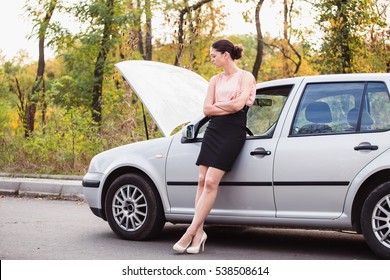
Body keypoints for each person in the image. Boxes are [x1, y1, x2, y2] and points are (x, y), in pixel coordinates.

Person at [173, 39, 256, 254]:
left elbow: (239, 106)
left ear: (225, 55)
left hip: (233, 132)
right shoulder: (214, 80)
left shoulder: (246, 77)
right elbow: (207, 110)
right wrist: (225, 106)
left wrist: (219, 106)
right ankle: (199, 233)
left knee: (211, 181)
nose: (211, 59)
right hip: (213, 130)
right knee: (201, 180)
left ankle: (190, 231)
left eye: (213, 55)